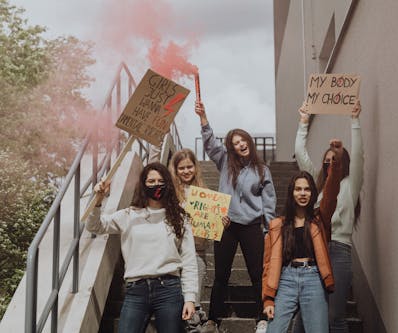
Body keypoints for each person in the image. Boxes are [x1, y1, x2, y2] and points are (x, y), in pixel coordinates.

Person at [86, 162, 198, 333]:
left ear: (168, 183)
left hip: (169, 289)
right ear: (143, 184)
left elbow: (189, 261)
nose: (156, 185)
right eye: (151, 181)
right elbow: (95, 226)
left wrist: (190, 298)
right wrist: (98, 201)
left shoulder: (180, 218)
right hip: (135, 290)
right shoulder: (129, 215)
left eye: (160, 181)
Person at [195, 101, 277, 333]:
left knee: (256, 273)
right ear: (231, 148)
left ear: (249, 142)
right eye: (235, 143)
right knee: (221, 274)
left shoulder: (263, 170)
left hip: (252, 227)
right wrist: (204, 118)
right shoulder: (225, 162)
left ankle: (262, 317)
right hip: (227, 225)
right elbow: (210, 145)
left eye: (243, 141)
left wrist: (268, 228)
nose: (241, 145)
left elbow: (269, 202)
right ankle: (213, 319)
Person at [293, 101, 363, 333]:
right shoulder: (317, 183)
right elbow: (301, 156)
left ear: (343, 163)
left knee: (334, 316)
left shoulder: (350, 185)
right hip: (315, 248)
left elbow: (360, 157)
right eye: (327, 160)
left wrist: (354, 121)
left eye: (336, 160)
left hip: (339, 250)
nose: (330, 163)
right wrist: (303, 122)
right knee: (303, 315)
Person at [262, 144, 343, 333]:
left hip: (314, 278)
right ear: (292, 193)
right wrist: (267, 299)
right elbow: (268, 264)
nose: (303, 193)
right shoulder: (278, 225)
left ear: (312, 193)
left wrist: (336, 163)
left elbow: (331, 195)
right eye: (298, 189)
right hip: (286, 279)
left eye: (307, 189)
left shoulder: (319, 219)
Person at [168, 148, 211, 331]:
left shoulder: (205, 194)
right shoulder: (169, 193)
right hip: (173, 254)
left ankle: (195, 326)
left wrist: (220, 222)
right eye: (181, 168)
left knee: (194, 301)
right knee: (176, 305)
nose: (186, 171)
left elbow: (210, 230)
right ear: (175, 170)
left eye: (189, 167)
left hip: (197, 252)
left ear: (196, 167)